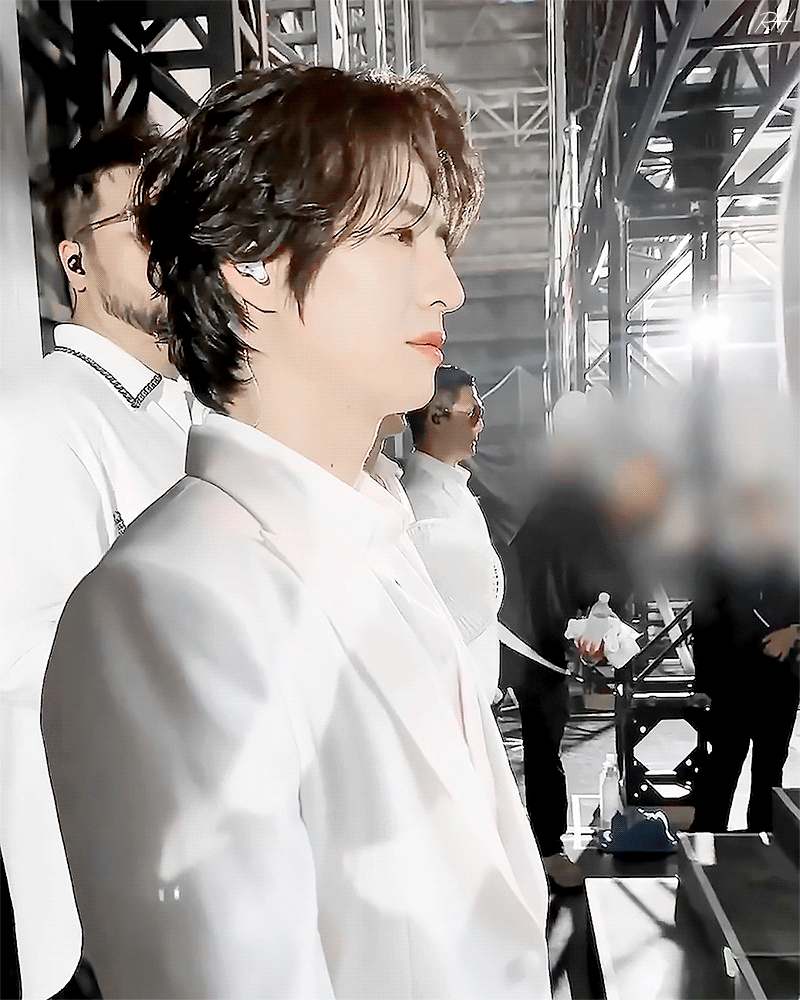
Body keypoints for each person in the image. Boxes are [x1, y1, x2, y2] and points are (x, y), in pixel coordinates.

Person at [41, 66, 551, 1000]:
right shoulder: (167, 610)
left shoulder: (381, 550)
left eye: (441, 242)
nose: (448, 288)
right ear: (252, 263)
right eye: (400, 235)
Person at [0, 119, 204, 1000]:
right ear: (74, 260)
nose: (169, 245)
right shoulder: (44, 421)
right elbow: (28, 670)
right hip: (114, 925)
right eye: (140, 223)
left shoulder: (189, 416)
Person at [404, 366, 504, 703]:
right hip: (448, 699)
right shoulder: (422, 505)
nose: (481, 425)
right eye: (474, 413)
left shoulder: (453, 490)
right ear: (437, 415)